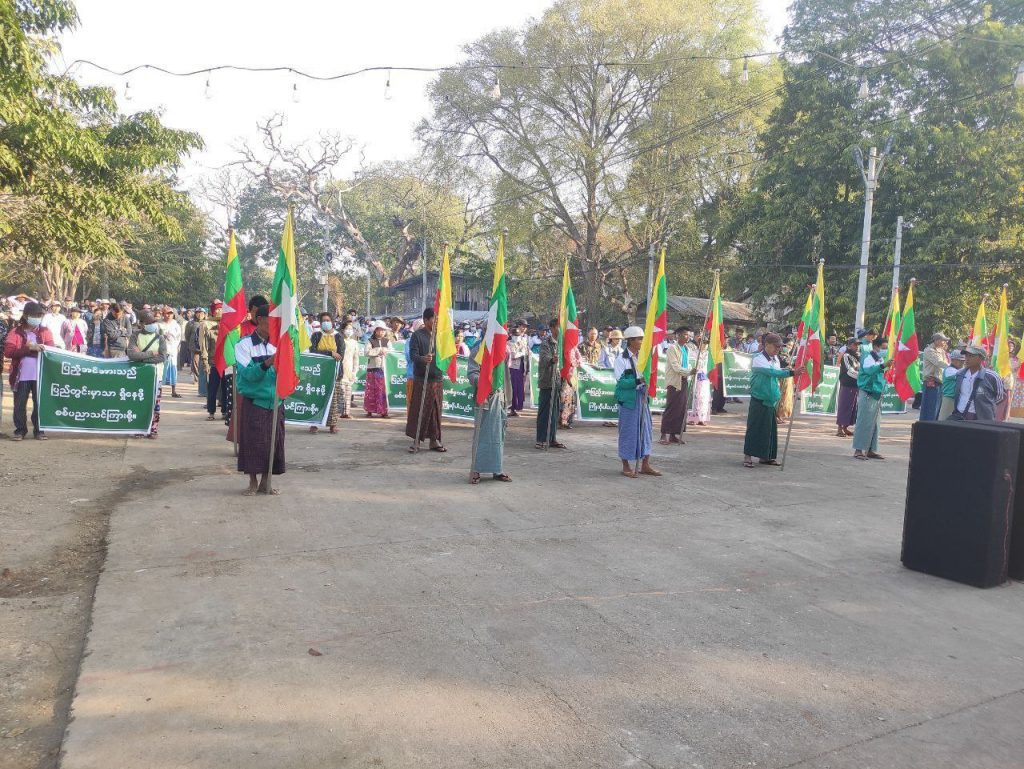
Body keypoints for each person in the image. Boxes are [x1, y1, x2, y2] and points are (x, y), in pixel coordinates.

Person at [235, 306, 284, 495]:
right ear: (260, 319)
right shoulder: (244, 345)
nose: (275, 324)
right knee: (253, 444)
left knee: (273, 444)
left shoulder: (280, 343)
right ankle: (252, 482)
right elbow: (248, 375)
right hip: (255, 401)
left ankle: (266, 481)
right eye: (272, 320)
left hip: (276, 402)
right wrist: (268, 362)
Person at [742, 333, 795, 468]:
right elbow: (772, 372)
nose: (778, 349)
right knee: (754, 428)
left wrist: (789, 370)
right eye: (776, 346)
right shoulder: (758, 358)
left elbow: (777, 371)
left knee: (769, 430)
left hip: (771, 399)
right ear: (767, 345)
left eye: (779, 346)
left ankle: (765, 456)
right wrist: (791, 372)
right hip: (759, 397)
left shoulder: (775, 358)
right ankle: (748, 456)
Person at [614, 326, 660, 478]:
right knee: (628, 432)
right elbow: (621, 383)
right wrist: (639, 380)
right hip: (628, 400)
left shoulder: (644, 357)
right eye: (640, 339)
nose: (642, 342)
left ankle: (645, 464)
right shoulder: (621, 359)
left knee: (646, 431)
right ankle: (626, 465)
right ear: (630, 341)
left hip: (643, 398)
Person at [4, 302, 53, 441]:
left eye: (39, 316)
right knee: (19, 404)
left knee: (39, 403)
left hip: (40, 375)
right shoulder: (15, 332)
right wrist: (29, 348)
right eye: (35, 316)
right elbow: (9, 352)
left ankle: (39, 430)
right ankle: (20, 430)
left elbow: (51, 350)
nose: (37, 318)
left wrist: (35, 349)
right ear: (25, 316)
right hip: (20, 376)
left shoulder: (45, 331)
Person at [467, 332, 512, 484]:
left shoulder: (501, 349)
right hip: (484, 397)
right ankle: (476, 469)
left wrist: (506, 395)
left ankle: (497, 469)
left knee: (498, 434)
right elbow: (472, 373)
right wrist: (485, 382)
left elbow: (505, 376)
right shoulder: (478, 349)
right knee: (482, 434)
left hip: (500, 397)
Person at [406, 308, 446, 452]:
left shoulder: (440, 336)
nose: (436, 322)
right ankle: (416, 441)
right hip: (422, 379)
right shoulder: (417, 335)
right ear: (426, 320)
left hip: (437, 378)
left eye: (437, 319)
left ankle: (434, 440)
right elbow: (413, 356)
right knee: (420, 409)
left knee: (435, 410)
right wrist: (424, 359)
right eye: (434, 319)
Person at [127, 311, 166, 438]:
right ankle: (140, 428)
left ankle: (153, 429)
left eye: (153, 322)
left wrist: (141, 358)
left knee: (155, 404)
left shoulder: (160, 338)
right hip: (139, 375)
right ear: (142, 323)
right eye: (149, 323)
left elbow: (162, 357)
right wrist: (151, 353)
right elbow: (132, 355)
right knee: (139, 402)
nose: (152, 324)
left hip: (156, 376)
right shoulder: (135, 336)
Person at [853, 336, 892, 460]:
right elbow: (869, 371)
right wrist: (883, 366)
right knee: (864, 421)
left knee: (875, 423)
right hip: (868, 392)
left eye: (886, 348)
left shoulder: (880, 358)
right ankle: (858, 450)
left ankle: (870, 449)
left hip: (877, 393)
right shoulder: (868, 357)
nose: (885, 351)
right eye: (883, 348)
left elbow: (880, 375)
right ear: (876, 346)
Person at [308, 312, 347, 434]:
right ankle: (315, 424)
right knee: (317, 398)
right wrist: (330, 353)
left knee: (333, 400)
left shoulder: (338, 337)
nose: (326, 322)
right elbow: (312, 351)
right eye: (323, 320)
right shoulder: (316, 335)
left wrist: (333, 355)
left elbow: (340, 355)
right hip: (318, 373)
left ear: (332, 322)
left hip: (334, 373)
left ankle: (332, 425)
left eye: (328, 320)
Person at [947, 344, 1005, 422]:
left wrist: (985, 407)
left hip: (982, 419)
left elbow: (1000, 397)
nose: (967, 359)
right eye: (966, 355)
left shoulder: (992, 376)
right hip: (960, 415)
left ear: (981, 358)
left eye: (971, 356)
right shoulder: (960, 374)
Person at [660, 326, 696, 445]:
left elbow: (686, 365)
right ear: (678, 335)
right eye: (685, 334)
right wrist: (689, 371)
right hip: (674, 381)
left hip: (684, 380)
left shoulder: (686, 349)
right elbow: (676, 367)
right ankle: (663, 435)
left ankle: (673, 435)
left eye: (688, 335)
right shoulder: (672, 348)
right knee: (671, 408)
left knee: (681, 409)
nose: (687, 337)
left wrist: (691, 370)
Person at [535, 318, 564, 449]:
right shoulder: (546, 342)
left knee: (555, 412)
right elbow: (544, 358)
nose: (560, 329)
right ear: (552, 328)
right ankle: (541, 439)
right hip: (547, 381)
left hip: (557, 381)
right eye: (558, 327)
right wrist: (552, 359)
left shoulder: (562, 343)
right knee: (545, 412)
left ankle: (552, 438)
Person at [919, 332, 950, 421]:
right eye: (943, 340)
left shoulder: (941, 351)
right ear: (936, 341)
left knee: (937, 408)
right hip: (931, 382)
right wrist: (952, 367)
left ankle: (933, 425)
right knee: (930, 407)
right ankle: (927, 426)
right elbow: (939, 362)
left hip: (940, 382)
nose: (945, 342)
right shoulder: (929, 350)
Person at [364, 320, 390, 418]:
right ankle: (370, 410)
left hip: (384, 369)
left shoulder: (387, 341)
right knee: (371, 390)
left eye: (383, 330)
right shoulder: (370, 341)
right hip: (373, 368)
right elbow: (366, 352)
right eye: (380, 330)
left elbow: (391, 352)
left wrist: (385, 351)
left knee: (382, 390)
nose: (382, 332)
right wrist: (379, 350)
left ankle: (383, 410)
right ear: (375, 330)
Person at [203, 301, 224, 422]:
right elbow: (205, 348)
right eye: (217, 309)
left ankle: (225, 411)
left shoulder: (229, 333)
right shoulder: (210, 331)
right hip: (213, 364)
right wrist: (206, 363)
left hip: (226, 364)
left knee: (226, 389)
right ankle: (211, 412)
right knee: (212, 389)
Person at [835, 338, 859, 437]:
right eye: (855, 345)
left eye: (858, 345)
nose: (857, 347)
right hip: (847, 384)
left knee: (852, 408)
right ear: (849, 345)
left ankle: (845, 427)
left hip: (855, 385)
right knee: (844, 406)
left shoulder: (856, 357)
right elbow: (849, 371)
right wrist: (861, 377)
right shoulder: (846, 356)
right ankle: (839, 429)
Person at [506, 320, 530, 416]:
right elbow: (513, 355)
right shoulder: (510, 341)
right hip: (513, 367)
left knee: (520, 388)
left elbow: (527, 352)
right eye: (522, 326)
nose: (524, 328)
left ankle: (516, 408)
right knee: (513, 388)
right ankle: (511, 408)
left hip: (522, 367)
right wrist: (522, 353)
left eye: (525, 327)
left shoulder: (524, 340)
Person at [688, 337, 712, 426]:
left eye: (706, 343)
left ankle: (702, 418)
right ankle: (692, 418)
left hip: (705, 378)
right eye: (703, 343)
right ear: (699, 343)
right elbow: (691, 364)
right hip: (695, 377)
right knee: (695, 397)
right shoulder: (694, 353)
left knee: (704, 398)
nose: (705, 345)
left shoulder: (708, 354)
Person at [160, 307, 182, 398]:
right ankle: (159, 390)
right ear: (163, 314)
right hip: (161, 351)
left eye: (170, 313)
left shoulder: (176, 325)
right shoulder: (159, 325)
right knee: (161, 370)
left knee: (173, 369)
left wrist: (175, 347)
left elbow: (178, 338)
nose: (169, 315)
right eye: (167, 313)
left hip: (172, 350)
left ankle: (173, 391)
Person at [559, 340, 581, 429]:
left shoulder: (574, 348)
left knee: (570, 400)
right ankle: (562, 421)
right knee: (565, 400)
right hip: (565, 377)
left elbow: (579, 359)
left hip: (572, 377)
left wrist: (576, 363)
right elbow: (569, 361)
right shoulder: (565, 348)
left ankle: (567, 421)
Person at [938, 349, 965, 420]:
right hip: (949, 398)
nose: (963, 363)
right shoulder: (949, 370)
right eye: (961, 361)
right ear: (953, 360)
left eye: (963, 361)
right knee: (944, 420)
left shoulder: (957, 369)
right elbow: (962, 375)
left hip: (956, 398)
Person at [775, 336, 795, 425]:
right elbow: (785, 362)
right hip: (782, 378)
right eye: (788, 345)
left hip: (788, 378)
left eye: (791, 346)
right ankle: (776, 415)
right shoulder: (781, 353)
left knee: (785, 397)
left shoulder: (788, 354)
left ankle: (780, 415)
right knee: (780, 397)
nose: (790, 347)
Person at [1009, 339, 1024, 419]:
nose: (1011, 348)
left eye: (1012, 346)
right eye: (1009, 346)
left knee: (1020, 397)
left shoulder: (1018, 359)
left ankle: (1020, 413)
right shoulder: (1005, 357)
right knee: (1013, 397)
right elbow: (1010, 368)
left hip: (1018, 380)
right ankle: (1009, 413)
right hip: (1011, 380)